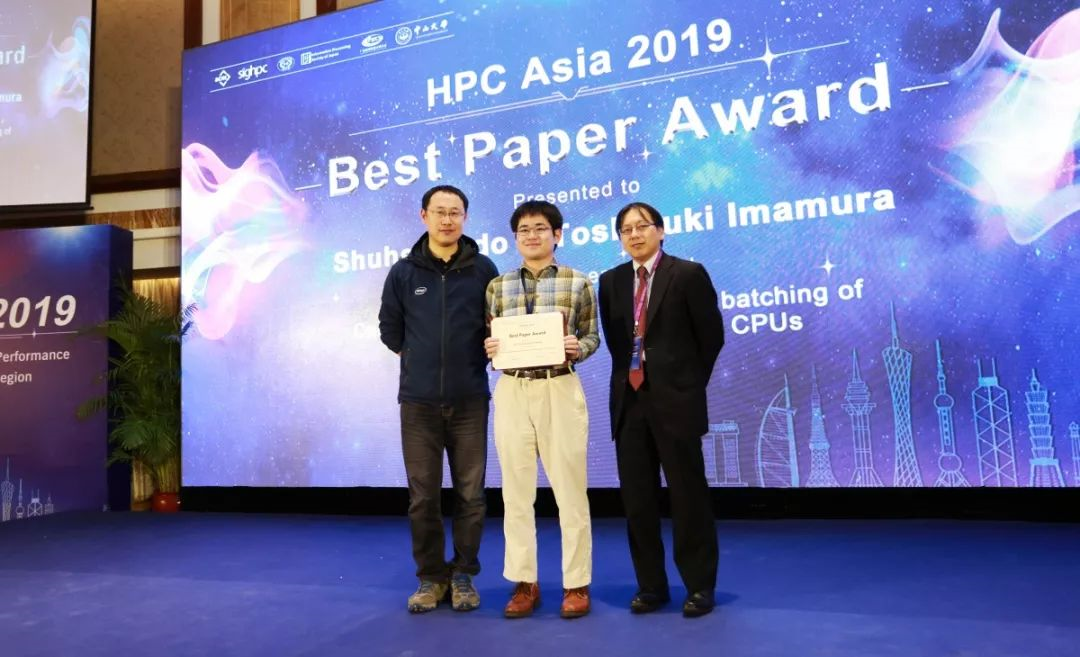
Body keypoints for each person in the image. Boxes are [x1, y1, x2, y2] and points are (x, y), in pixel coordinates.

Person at [597, 201, 725, 618]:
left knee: (688, 497)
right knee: (638, 502)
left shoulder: (687, 274)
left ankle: (699, 586)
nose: (635, 234)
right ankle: (650, 586)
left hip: (676, 402)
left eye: (642, 226)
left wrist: (685, 384)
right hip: (630, 403)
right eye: (626, 229)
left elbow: (711, 338)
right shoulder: (611, 281)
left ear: (661, 230)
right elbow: (618, 343)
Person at [378, 185, 498, 613]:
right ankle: (430, 578)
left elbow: (496, 325)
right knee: (423, 497)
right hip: (418, 403)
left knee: (471, 495)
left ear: (465, 217)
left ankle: (463, 575)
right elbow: (389, 329)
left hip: (470, 400)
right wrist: (419, 358)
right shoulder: (403, 273)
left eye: (456, 212)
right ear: (424, 215)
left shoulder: (484, 269)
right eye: (440, 212)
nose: (448, 220)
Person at [484, 200, 599, 619]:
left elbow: (592, 336)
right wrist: (490, 346)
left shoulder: (578, 282)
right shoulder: (497, 286)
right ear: (515, 238)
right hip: (513, 388)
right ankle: (523, 582)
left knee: (571, 491)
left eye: (540, 228)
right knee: (515, 493)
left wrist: (577, 347)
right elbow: (489, 336)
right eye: (524, 230)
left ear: (557, 234)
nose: (532, 236)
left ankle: (576, 584)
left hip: (559, 386)